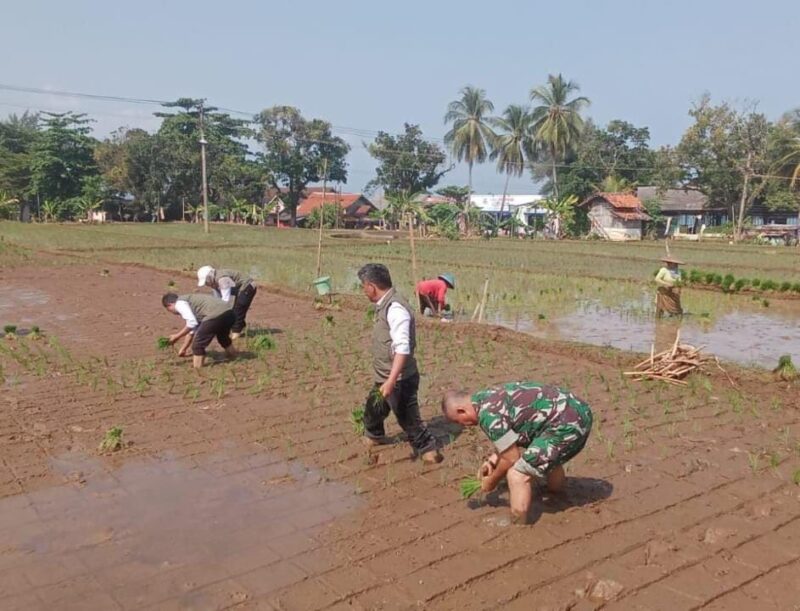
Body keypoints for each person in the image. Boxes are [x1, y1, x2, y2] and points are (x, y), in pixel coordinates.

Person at [442, 381, 593, 523]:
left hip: (567, 425)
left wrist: (491, 481)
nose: (461, 425)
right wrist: (492, 461)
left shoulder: (487, 416)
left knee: (517, 474)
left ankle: (519, 522)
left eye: (457, 420)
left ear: (461, 410)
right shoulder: (487, 396)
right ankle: (557, 494)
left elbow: (512, 458)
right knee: (543, 455)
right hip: (579, 411)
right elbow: (510, 435)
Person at [358, 263, 443, 464]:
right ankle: (374, 435)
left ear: (371, 286)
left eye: (363, 287)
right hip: (386, 375)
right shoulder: (385, 305)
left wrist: (391, 381)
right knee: (373, 409)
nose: (363, 291)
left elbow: (403, 348)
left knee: (409, 419)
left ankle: (429, 450)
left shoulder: (395, 309)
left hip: (399, 378)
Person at [161, 292, 236, 368]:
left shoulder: (179, 304)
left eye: (169, 310)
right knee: (223, 337)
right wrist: (183, 349)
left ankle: (197, 369)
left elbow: (191, 323)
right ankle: (235, 356)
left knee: (198, 345)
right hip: (229, 313)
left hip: (216, 314)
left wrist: (176, 336)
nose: (173, 313)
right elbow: (191, 331)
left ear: (169, 305)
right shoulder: (192, 304)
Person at [197, 266, 257, 339]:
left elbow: (225, 301)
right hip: (240, 289)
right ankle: (240, 326)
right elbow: (217, 299)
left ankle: (236, 332)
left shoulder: (222, 280)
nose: (206, 284)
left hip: (248, 286)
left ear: (209, 277)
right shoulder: (215, 282)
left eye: (206, 281)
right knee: (235, 309)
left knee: (238, 308)